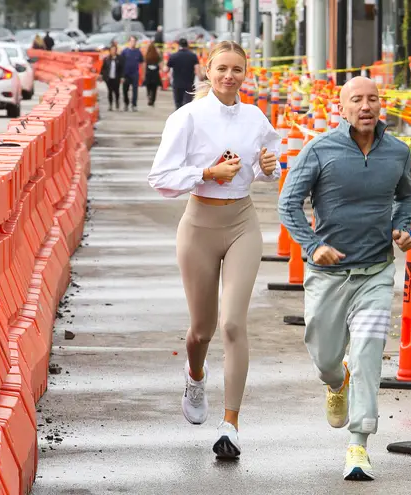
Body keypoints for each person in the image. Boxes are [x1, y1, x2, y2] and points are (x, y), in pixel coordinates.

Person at [277, 76, 411, 481]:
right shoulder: (320, 150)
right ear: (342, 109)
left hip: (375, 270)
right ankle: (336, 383)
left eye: (373, 99)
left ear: (381, 105)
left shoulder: (397, 152)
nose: (366, 106)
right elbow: (288, 203)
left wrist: (400, 226)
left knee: (368, 354)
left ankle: (358, 445)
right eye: (357, 99)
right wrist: (311, 244)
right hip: (327, 274)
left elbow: (406, 196)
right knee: (325, 358)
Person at [147, 41, 281, 459]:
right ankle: (196, 373)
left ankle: (231, 425)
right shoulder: (186, 118)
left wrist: (267, 167)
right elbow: (161, 177)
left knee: (233, 324)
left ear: (246, 73)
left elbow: (261, 169)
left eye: (236, 69)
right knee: (202, 331)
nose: (229, 76)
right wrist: (206, 172)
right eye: (221, 68)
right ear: (207, 70)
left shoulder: (256, 117)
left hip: (243, 223)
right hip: (199, 225)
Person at [166, 38, 200, 109]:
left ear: (178, 45)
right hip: (189, 84)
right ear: (187, 45)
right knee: (188, 105)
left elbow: (166, 70)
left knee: (178, 104)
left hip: (177, 84)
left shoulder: (173, 56)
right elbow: (197, 70)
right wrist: (201, 78)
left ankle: (178, 119)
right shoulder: (193, 56)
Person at [120, 36, 144, 111]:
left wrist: (143, 74)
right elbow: (120, 63)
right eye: (132, 41)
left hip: (135, 74)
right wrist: (121, 75)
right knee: (125, 90)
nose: (133, 43)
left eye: (134, 41)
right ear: (129, 42)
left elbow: (142, 62)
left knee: (135, 90)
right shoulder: (124, 52)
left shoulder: (138, 52)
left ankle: (134, 105)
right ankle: (126, 103)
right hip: (126, 74)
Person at [101, 45, 124, 111]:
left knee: (116, 91)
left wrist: (122, 77)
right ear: (110, 51)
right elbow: (103, 68)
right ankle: (110, 105)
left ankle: (117, 102)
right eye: (112, 50)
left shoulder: (119, 58)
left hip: (116, 77)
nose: (113, 51)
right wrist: (101, 75)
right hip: (108, 78)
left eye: (114, 50)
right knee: (110, 91)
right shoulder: (107, 59)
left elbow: (121, 68)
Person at [142, 42, 162, 107]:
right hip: (155, 74)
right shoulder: (157, 56)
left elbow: (144, 65)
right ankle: (152, 100)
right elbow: (160, 64)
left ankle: (149, 96)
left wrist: (143, 73)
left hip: (148, 73)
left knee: (148, 86)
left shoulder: (147, 55)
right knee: (154, 88)